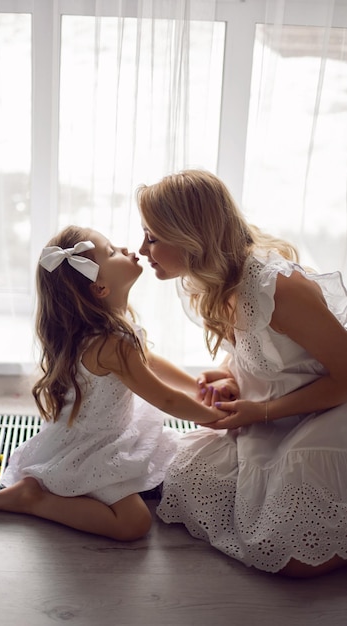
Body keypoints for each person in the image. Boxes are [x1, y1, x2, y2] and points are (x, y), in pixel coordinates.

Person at [137, 168, 347, 577]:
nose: (143, 249)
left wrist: (261, 412)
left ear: (191, 238)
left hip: (332, 406)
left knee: (293, 557)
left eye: (153, 237)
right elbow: (259, 351)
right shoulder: (213, 280)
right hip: (280, 409)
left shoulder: (279, 289)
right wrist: (230, 375)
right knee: (183, 476)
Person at [0, 225, 224, 541]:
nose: (129, 249)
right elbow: (167, 401)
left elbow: (149, 361)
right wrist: (217, 418)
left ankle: (60, 489)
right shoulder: (110, 344)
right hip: (92, 447)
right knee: (133, 524)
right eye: (113, 251)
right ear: (100, 288)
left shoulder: (106, 327)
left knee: (170, 460)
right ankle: (34, 500)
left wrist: (195, 384)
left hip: (108, 431)